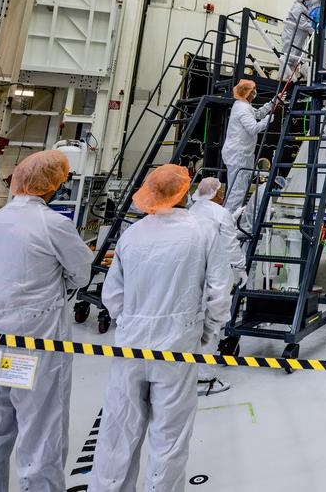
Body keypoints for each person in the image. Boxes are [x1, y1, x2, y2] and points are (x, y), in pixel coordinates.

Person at [89, 165, 232, 492]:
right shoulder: (203, 231)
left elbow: (112, 294)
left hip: (130, 344)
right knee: (169, 437)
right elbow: (219, 292)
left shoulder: (132, 234)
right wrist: (206, 332)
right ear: (185, 192)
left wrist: (131, 322)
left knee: (118, 432)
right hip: (177, 346)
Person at [0, 150, 93, 491]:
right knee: (41, 427)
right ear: (53, 184)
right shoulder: (54, 223)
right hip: (33, 337)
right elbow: (81, 273)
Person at [188, 176, 245, 397]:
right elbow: (230, 245)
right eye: (221, 191)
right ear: (216, 193)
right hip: (215, 274)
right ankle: (205, 379)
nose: (222, 195)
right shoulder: (220, 213)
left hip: (193, 274)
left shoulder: (192, 210)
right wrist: (240, 266)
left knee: (194, 323)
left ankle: (189, 373)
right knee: (211, 325)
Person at [221, 79, 273, 217]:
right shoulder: (243, 109)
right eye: (253, 90)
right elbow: (253, 128)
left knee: (236, 189)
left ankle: (228, 218)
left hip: (240, 153)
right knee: (237, 191)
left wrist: (272, 103)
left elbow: (257, 114)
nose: (255, 92)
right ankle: (228, 221)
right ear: (248, 92)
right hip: (238, 154)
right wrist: (267, 121)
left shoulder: (243, 105)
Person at [278, 0, 316, 80]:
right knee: (289, 56)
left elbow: (315, 0)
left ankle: (289, 77)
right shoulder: (297, 7)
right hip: (292, 35)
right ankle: (282, 78)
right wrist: (313, 30)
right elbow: (302, 23)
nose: (310, 0)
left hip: (298, 37)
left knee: (295, 58)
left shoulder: (303, 7)